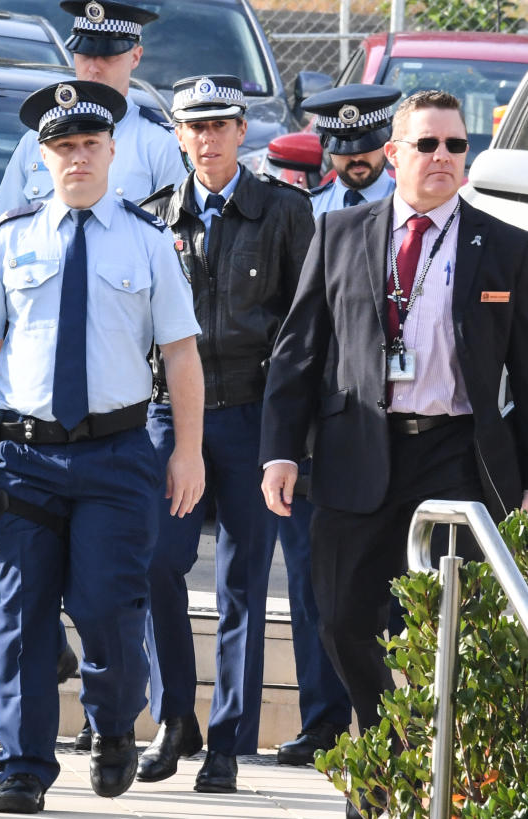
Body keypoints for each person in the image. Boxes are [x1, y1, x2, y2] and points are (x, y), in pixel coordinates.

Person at [0, 79, 205, 814]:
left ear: (111, 150)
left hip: (115, 457)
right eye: (62, 147)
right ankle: (21, 767)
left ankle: (111, 725)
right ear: (42, 157)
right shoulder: (12, 238)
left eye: (88, 145)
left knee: (107, 608)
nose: (76, 158)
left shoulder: (146, 240)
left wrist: (188, 450)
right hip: (28, 458)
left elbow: (179, 354)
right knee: (21, 614)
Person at [259, 90, 528, 817]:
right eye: (428, 144)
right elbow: (296, 355)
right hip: (357, 452)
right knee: (342, 619)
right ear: (393, 154)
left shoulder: (503, 246)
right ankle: (387, 753)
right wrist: (279, 453)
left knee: (443, 633)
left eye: (456, 145)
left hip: (459, 459)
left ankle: (404, 781)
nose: (443, 158)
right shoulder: (340, 234)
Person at [138, 74, 314, 793]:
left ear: (243, 132)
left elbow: (306, 330)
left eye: (220, 125)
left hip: (250, 412)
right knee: (154, 561)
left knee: (243, 582)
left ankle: (226, 741)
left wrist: (291, 435)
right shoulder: (150, 217)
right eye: (194, 127)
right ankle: (172, 715)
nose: (207, 139)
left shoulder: (281, 211)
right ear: (177, 137)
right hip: (167, 412)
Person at [271, 85, 406, 768]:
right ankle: (323, 721)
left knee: (399, 596)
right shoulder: (304, 217)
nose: (352, 160)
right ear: (324, 146)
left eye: (364, 148)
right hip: (325, 436)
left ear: (385, 144)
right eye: (340, 148)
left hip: (397, 433)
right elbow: (292, 339)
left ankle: (398, 725)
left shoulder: (409, 214)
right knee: (315, 590)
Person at [0, 0, 185, 215]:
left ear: (135, 57)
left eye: (107, 56)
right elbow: (6, 226)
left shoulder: (160, 145)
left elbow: (177, 233)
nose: (93, 68)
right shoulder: (36, 141)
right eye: (85, 55)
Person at [304, 84, 400, 219]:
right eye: (344, 148)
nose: (356, 156)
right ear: (326, 144)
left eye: (368, 145)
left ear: (387, 141)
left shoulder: (412, 206)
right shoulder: (309, 209)